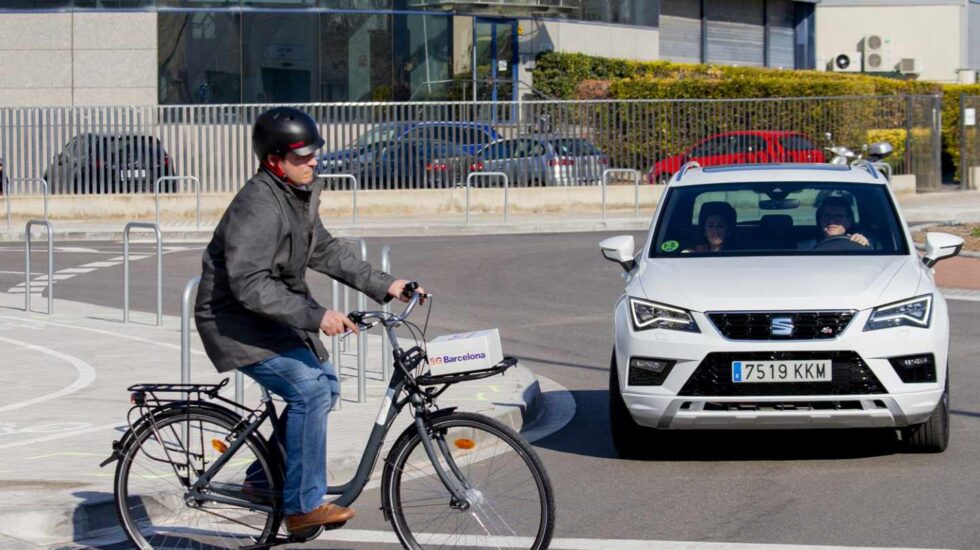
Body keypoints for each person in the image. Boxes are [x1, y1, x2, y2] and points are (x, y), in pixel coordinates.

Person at [194, 107, 423, 534]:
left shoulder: (297, 195)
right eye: (302, 156)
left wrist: (388, 285)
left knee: (327, 384)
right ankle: (301, 508)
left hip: (268, 314)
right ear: (274, 160)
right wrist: (317, 316)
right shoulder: (258, 205)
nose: (313, 161)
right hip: (232, 320)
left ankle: (263, 481)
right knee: (310, 391)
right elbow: (248, 284)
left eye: (314, 153)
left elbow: (327, 251)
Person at [798, 196, 870, 249]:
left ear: (849, 221)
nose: (831, 221)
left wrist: (864, 244)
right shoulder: (805, 246)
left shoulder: (860, 242)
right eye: (826, 216)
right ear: (819, 220)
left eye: (838, 216)